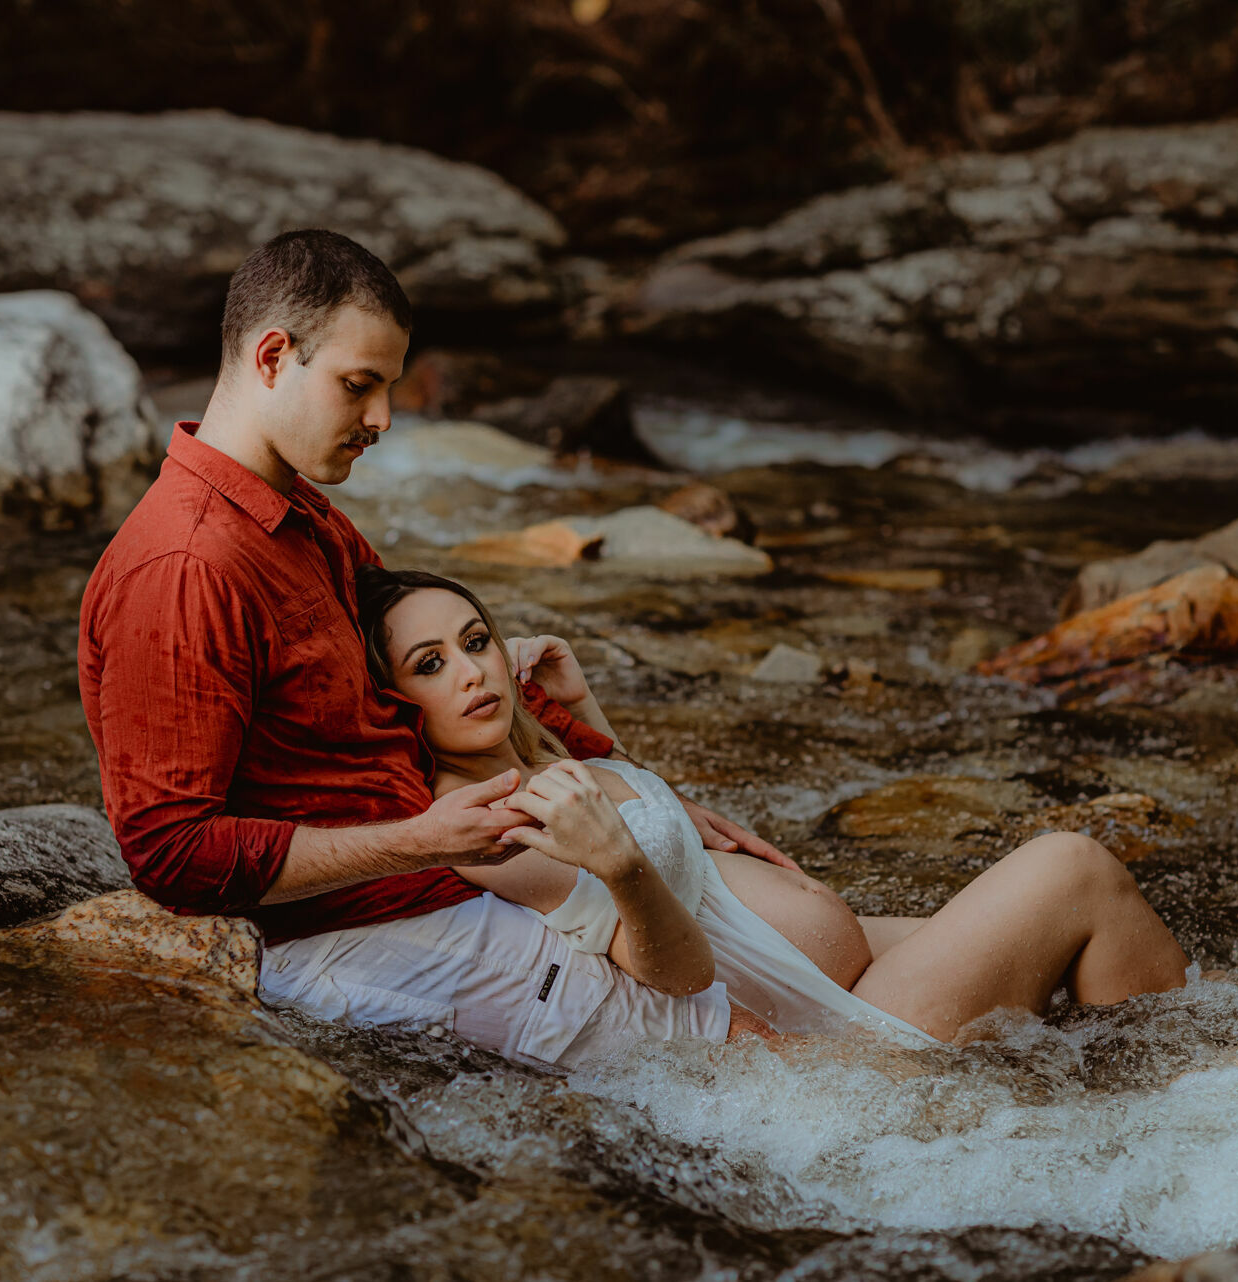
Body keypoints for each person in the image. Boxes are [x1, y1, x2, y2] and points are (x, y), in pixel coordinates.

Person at [78, 229, 786, 1070]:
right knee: (749, 1050)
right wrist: (420, 840)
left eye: (388, 388)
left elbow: (430, 661)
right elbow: (172, 852)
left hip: (451, 876)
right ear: (273, 357)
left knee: (776, 1000)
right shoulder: (187, 567)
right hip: (364, 927)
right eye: (358, 386)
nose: (381, 419)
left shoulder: (300, 514)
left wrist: (624, 779)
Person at [356, 568, 1192, 1047]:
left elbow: (650, 820)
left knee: (1117, 950)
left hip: (850, 963)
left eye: (474, 642)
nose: (471, 672)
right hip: (842, 1021)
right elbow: (673, 970)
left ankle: (1194, 1080)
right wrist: (614, 863)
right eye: (430, 664)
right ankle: (1215, 1093)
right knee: (1073, 867)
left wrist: (587, 711)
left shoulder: (536, 750)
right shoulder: (481, 823)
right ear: (392, 700)